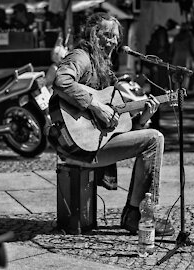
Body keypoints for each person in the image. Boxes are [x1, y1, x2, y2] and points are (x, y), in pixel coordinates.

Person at [50, 12, 175, 236]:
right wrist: (96, 106)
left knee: (151, 139)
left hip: (91, 143)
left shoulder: (104, 69)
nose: (114, 41)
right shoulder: (81, 57)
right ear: (92, 34)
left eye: (116, 37)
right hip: (77, 146)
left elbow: (124, 129)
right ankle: (139, 215)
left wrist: (145, 117)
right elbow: (61, 81)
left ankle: (134, 214)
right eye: (107, 35)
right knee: (155, 139)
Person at [145, 24, 171, 130]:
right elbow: (146, 61)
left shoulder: (166, 48)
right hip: (154, 76)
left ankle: (156, 121)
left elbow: (168, 61)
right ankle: (153, 121)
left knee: (159, 99)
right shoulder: (152, 47)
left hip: (162, 75)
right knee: (153, 98)